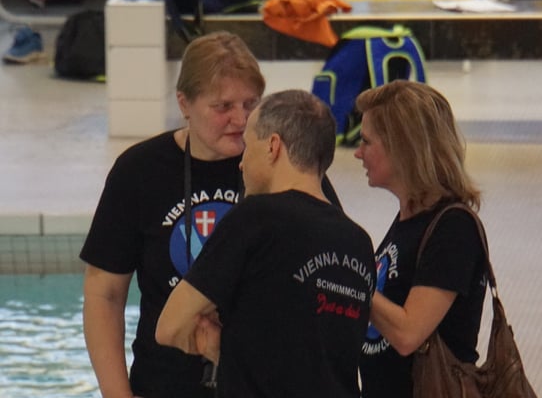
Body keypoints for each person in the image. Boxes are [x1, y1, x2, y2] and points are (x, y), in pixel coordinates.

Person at [81, 31, 340, 398]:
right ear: (184, 103)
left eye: (251, 103)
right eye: (223, 106)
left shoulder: (285, 164)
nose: (240, 119)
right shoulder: (140, 172)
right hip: (165, 385)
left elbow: (331, 267)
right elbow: (104, 294)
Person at [155, 89, 377, 398]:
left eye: (248, 146)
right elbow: (316, 355)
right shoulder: (359, 242)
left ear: (273, 146)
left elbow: (169, 326)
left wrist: (220, 349)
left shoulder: (255, 218)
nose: (241, 163)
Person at [354, 80, 487, 398]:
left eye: (367, 142)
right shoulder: (408, 219)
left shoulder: (453, 228)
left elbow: (408, 334)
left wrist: (349, 278)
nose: (358, 153)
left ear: (403, 149)